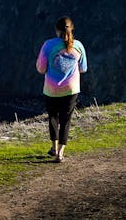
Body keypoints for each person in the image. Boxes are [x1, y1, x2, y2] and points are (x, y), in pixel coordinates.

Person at [36, 17, 88, 163]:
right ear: (72, 28)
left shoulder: (48, 45)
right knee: (66, 120)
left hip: (51, 88)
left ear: (57, 29)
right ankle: (60, 153)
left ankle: (53, 147)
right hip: (71, 89)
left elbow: (40, 68)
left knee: (53, 117)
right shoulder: (78, 46)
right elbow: (83, 68)